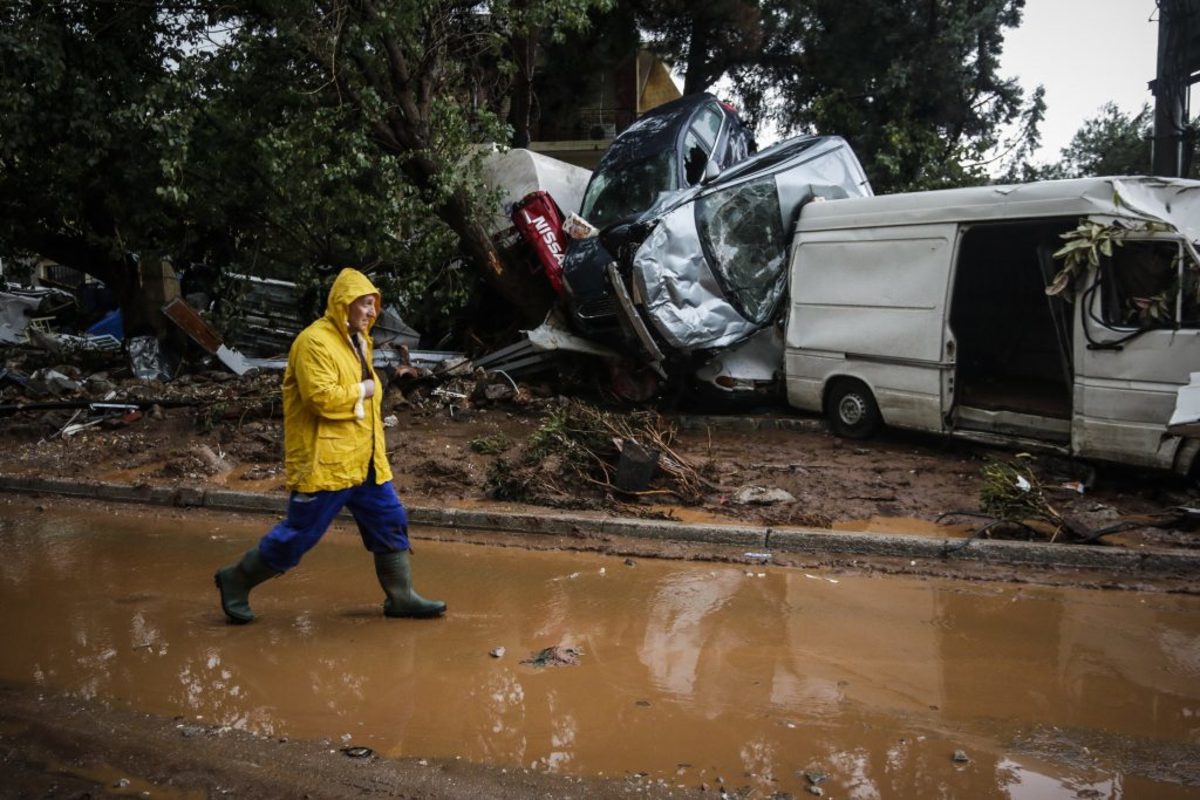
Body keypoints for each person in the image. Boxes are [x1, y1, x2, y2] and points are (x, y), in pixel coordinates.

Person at [214, 268, 445, 623]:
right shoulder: (314, 343)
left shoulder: (359, 340)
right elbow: (321, 398)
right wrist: (365, 390)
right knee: (299, 535)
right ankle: (235, 580)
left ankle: (401, 597)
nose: (372, 312)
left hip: (365, 461)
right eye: (365, 304)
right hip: (327, 463)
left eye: (373, 305)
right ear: (344, 304)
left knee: (390, 519)